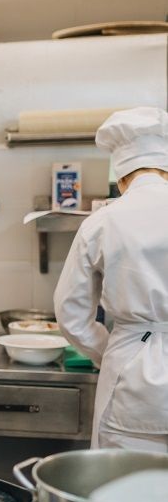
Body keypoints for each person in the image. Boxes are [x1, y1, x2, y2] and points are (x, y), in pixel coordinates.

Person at [54, 106, 168, 452]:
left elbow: (71, 313)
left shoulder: (104, 221)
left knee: (126, 483)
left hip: (133, 380)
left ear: (122, 178)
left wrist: (111, 348)